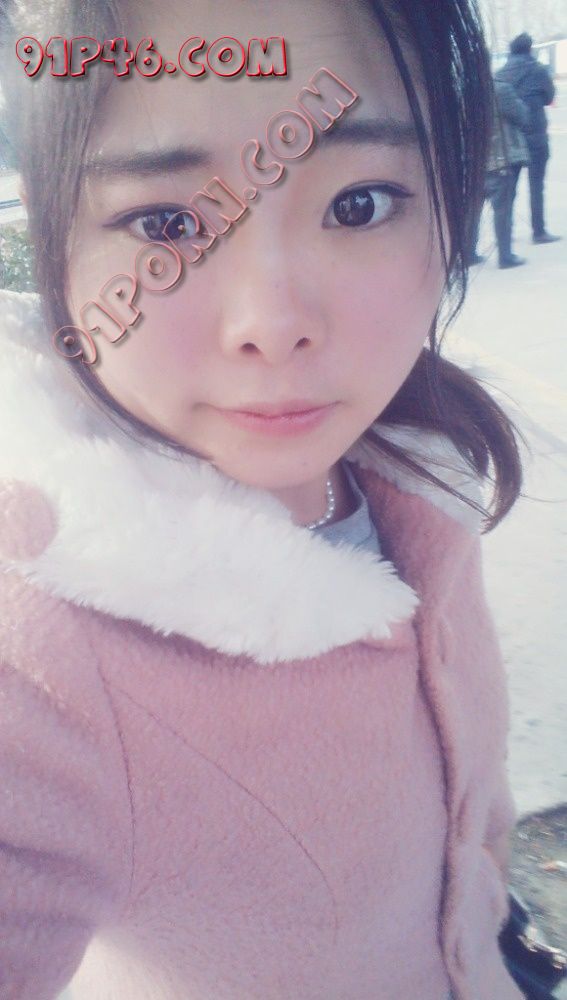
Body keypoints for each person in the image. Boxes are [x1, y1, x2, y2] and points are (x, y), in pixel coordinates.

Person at [0, 1, 526, 998]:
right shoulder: (44, 652)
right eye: (167, 224)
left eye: (360, 203)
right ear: (56, 235)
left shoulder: (412, 464)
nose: (273, 322)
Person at [496, 33, 561, 245]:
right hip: (536, 137)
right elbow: (550, 97)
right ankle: (538, 232)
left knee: (509, 189)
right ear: (530, 49)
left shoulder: (501, 73)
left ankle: (506, 236)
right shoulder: (539, 70)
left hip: (511, 140)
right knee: (536, 185)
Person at [468, 77, 530, 268]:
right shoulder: (501, 90)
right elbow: (522, 116)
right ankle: (505, 256)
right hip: (499, 160)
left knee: (472, 211)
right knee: (503, 210)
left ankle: (468, 253)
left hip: (473, 161)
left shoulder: (464, 92)